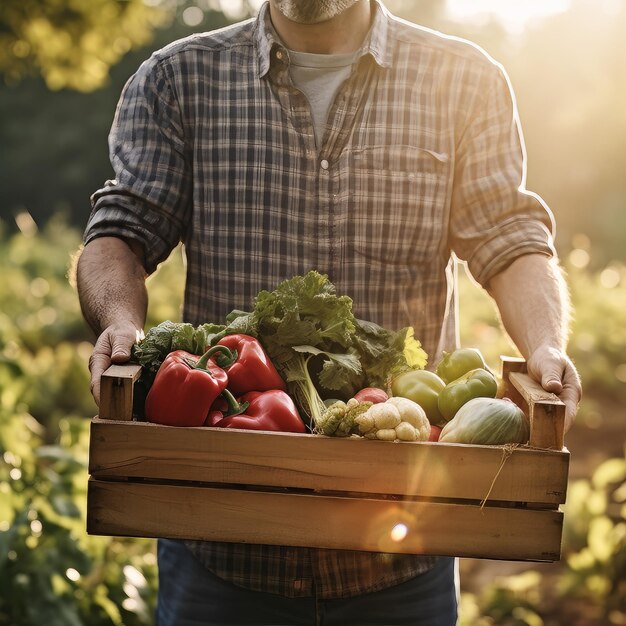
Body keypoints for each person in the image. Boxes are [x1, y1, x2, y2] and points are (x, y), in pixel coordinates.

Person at [76, 0, 582, 624]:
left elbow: (511, 242)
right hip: (221, 553)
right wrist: (120, 323)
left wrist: (546, 347)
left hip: (401, 552)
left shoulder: (463, 80)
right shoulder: (179, 80)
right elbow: (121, 231)